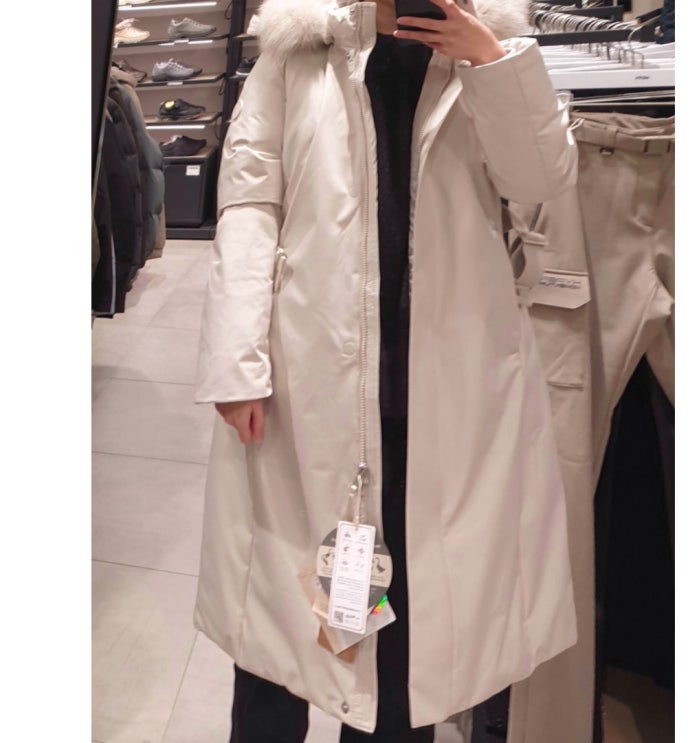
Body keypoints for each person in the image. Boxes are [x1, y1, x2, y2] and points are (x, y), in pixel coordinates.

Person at [194, 0, 579, 740]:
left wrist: (490, 60)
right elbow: (249, 199)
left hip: (443, 392)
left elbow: (540, 181)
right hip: (308, 383)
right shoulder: (296, 52)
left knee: (406, 642)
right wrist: (237, 361)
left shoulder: (490, 51)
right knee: (276, 625)